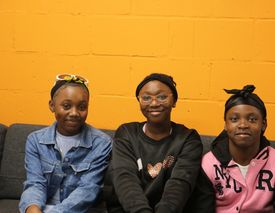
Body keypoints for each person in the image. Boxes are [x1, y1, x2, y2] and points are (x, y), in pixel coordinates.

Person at [186, 85, 275, 213]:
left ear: (263, 124)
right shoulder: (208, 164)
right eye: (234, 119)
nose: (243, 125)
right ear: (226, 125)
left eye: (252, 119)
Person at [106, 73, 203, 213]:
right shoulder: (127, 133)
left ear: (174, 100)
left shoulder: (188, 139)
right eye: (146, 98)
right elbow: (125, 180)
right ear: (139, 102)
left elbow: (179, 185)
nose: (154, 103)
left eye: (162, 97)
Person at [19, 74, 113, 213]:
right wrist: (32, 210)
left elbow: (88, 189)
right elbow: (35, 184)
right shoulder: (35, 141)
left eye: (82, 107)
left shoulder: (102, 143)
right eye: (66, 106)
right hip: (42, 208)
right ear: (52, 105)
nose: (74, 113)